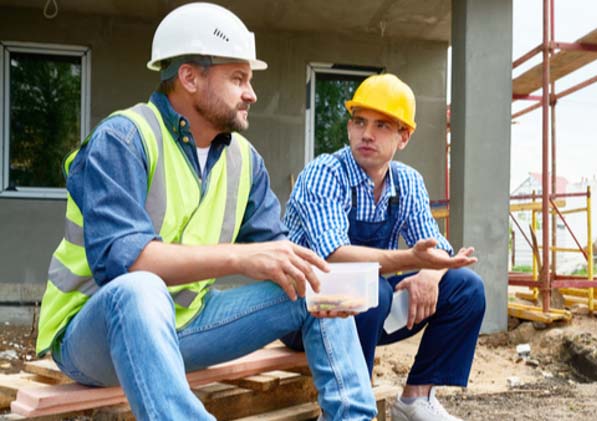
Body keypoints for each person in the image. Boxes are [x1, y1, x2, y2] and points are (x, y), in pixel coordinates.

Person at [34, 3, 375, 420]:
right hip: (94, 337)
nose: (251, 93)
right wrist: (241, 257)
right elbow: (126, 265)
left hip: (191, 326)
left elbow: (281, 258)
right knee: (140, 288)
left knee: (316, 283)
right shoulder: (123, 139)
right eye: (238, 78)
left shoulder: (244, 160)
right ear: (189, 77)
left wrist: (325, 300)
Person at [283, 73, 486, 421]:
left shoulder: (408, 182)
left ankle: (415, 400)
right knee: (369, 289)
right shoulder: (325, 173)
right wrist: (409, 260)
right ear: (349, 128)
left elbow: (440, 251)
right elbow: (334, 256)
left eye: (381, 126)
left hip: (369, 309)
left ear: (404, 137)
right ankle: (345, 406)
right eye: (359, 121)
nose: (367, 134)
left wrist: (429, 276)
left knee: (467, 288)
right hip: (304, 310)